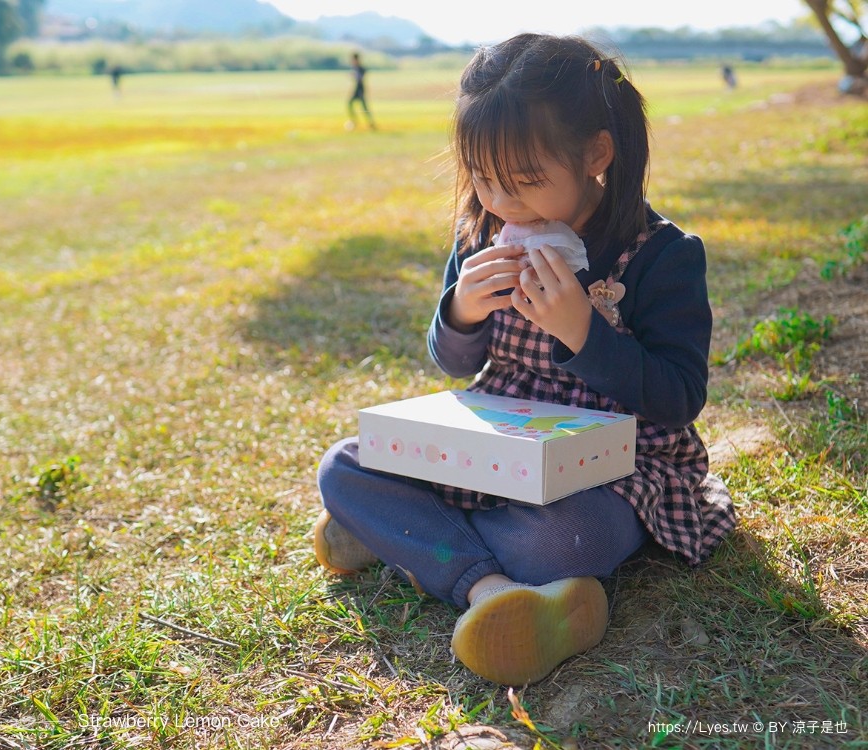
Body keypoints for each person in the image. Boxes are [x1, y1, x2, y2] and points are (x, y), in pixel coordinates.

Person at [313, 33, 736, 686]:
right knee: (343, 465)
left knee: (562, 540)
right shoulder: (480, 235)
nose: (501, 202)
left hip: (612, 465)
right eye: (483, 179)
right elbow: (453, 363)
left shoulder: (663, 255)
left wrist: (584, 336)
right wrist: (462, 311)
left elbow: (678, 398)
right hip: (495, 446)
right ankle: (488, 588)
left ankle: (407, 540)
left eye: (525, 182)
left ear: (596, 152)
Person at [347, 52, 376, 130]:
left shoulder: (361, 68)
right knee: (350, 105)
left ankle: (370, 123)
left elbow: (360, 79)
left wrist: (354, 75)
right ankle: (355, 121)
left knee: (364, 108)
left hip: (360, 90)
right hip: (356, 89)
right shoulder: (355, 68)